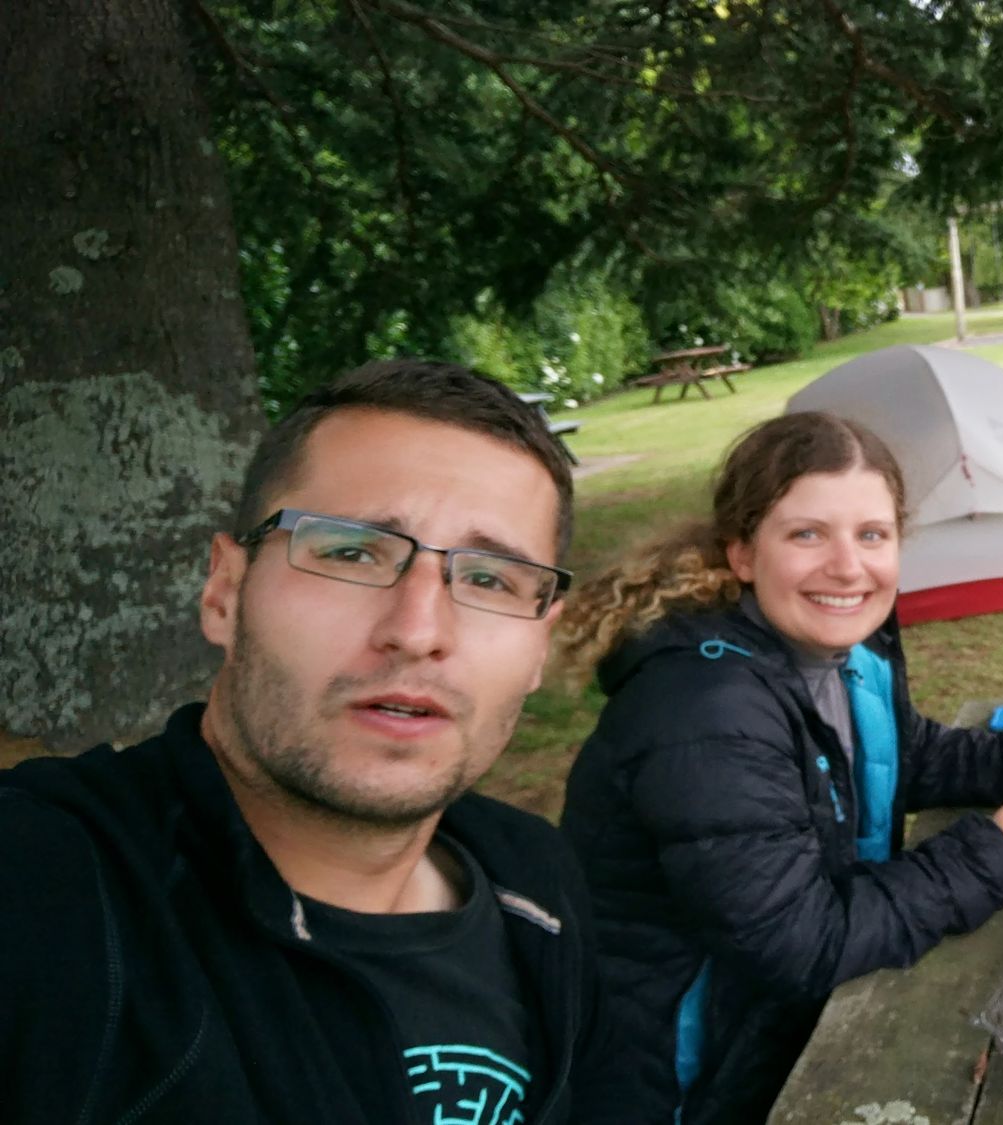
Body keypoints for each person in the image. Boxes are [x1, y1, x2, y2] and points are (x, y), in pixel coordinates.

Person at [0, 360, 620, 1123]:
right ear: (225, 591)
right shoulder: (47, 890)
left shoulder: (535, 881)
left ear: (539, 646)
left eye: (490, 579)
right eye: (352, 551)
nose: (418, 631)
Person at [557, 411, 1003, 1123]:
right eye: (807, 534)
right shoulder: (705, 709)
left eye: (872, 535)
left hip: (782, 1017)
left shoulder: (844, 651)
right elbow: (802, 944)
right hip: (692, 1073)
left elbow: (902, 755)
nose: (849, 567)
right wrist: (999, 845)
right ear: (742, 554)